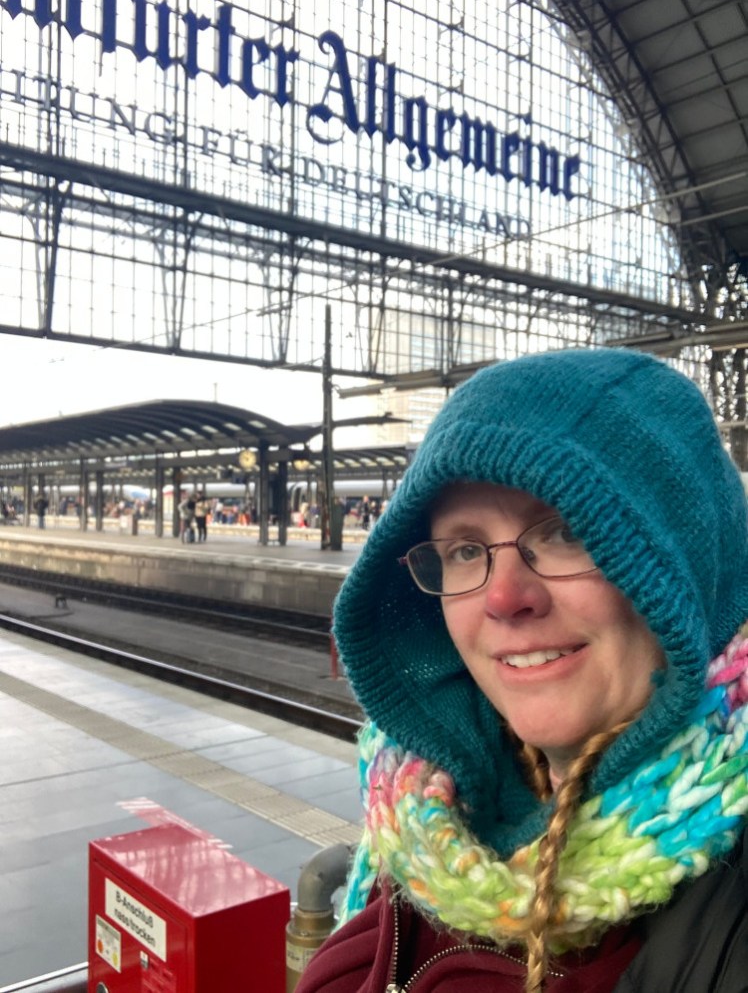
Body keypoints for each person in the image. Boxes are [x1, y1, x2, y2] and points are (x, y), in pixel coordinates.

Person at [296, 349, 748, 993]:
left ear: (691, 562)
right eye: (465, 550)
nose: (504, 598)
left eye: (567, 531)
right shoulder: (420, 819)